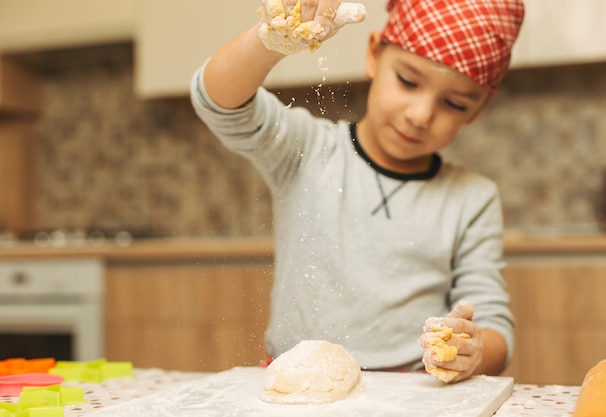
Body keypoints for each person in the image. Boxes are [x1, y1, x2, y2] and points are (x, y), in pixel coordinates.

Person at [190, 0, 524, 383]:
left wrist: (474, 350)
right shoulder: (307, 150)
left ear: (477, 110)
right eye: (408, 81)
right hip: (298, 388)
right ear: (373, 56)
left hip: (413, 396)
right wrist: (268, 43)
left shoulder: (471, 198)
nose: (420, 114)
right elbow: (218, 103)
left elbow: (494, 325)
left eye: (453, 103)